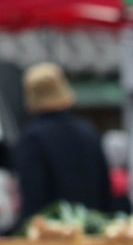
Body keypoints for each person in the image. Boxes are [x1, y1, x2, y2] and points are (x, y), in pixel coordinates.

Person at [13, 62, 111, 226]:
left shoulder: (32, 139)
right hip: (91, 233)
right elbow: (105, 192)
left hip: (50, 240)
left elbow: (32, 199)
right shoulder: (89, 132)